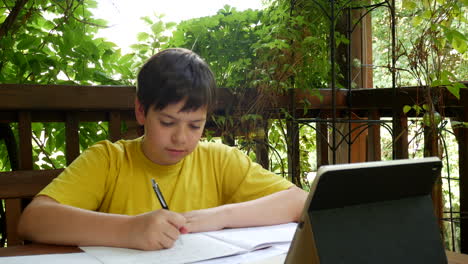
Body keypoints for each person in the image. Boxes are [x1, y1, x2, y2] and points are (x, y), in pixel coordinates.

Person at [18, 48, 308, 251]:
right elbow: (34, 220)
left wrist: (220, 216)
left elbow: (298, 201)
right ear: (141, 112)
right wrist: (128, 230)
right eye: (168, 122)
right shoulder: (109, 160)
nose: (181, 138)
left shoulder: (219, 160)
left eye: (195, 126)